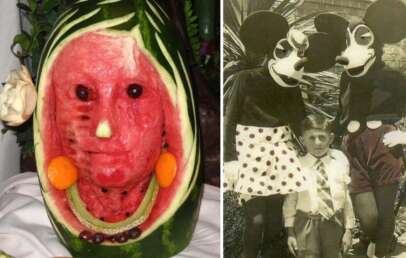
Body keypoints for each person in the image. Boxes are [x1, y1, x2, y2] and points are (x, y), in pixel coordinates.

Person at [283, 114, 355, 258]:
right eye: (311, 138)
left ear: (331, 138)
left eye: (322, 137)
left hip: (334, 221)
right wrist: (290, 232)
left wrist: (349, 229)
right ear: (303, 140)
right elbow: (289, 202)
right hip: (306, 223)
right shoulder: (297, 165)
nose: (317, 142)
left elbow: (346, 197)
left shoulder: (339, 161)